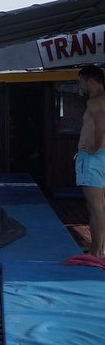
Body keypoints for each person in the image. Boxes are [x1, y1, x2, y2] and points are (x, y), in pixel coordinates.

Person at [76, 65, 105, 257]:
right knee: (100, 204)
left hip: (93, 159)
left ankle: (96, 250)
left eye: (81, 82)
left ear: (90, 81)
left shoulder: (94, 102)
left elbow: (102, 124)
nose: (81, 87)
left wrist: (95, 147)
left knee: (95, 206)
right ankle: (100, 247)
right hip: (101, 158)